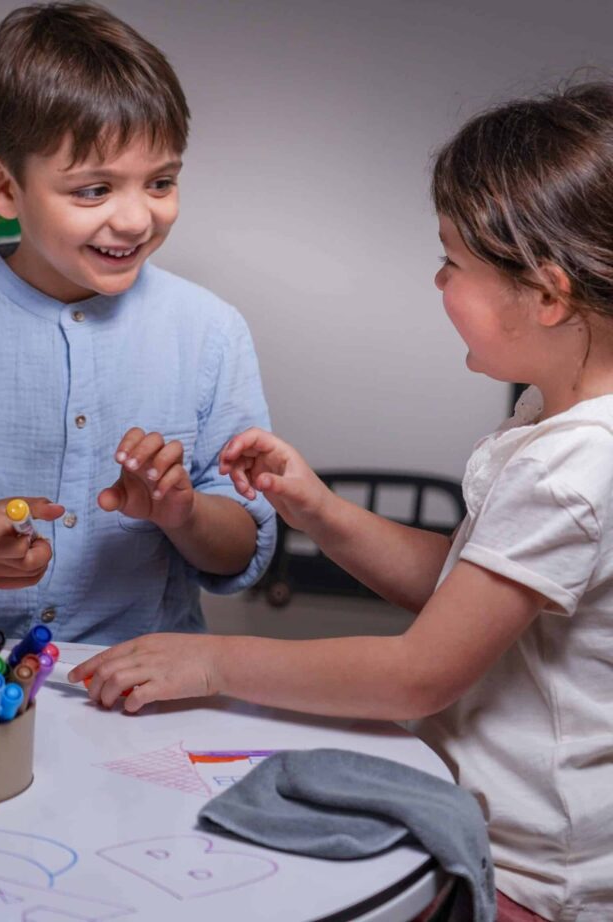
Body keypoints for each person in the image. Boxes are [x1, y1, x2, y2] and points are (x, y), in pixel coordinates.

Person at [70, 82, 613, 920]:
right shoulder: (566, 422)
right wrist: (318, 509)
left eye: (452, 263)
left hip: (537, 876)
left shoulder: (574, 464)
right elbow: (471, 586)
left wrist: (215, 661)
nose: (437, 281)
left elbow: (418, 675)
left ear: (546, 295)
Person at [0, 2, 276, 645]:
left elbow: (239, 549)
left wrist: (183, 513)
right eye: (93, 190)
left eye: (160, 182)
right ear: (3, 186)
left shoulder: (212, 332)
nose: (134, 220)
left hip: (135, 676)